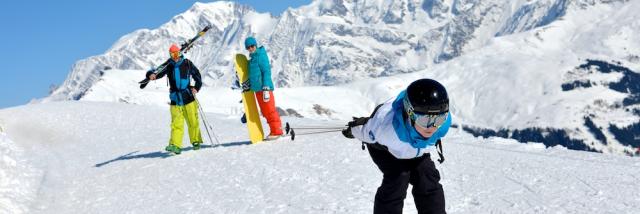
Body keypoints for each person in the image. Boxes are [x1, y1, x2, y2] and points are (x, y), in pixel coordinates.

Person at [342, 78, 451, 214]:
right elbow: (366, 131)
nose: (432, 127)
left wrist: (430, 122)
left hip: (414, 149)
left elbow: (432, 124)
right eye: (424, 120)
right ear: (410, 114)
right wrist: (352, 130)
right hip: (385, 150)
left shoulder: (441, 127)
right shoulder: (386, 128)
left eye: (439, 119)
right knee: (398, 178)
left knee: (427, 178)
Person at [148, 44, 203, 154]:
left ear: (180, 53)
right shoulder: (169, 66)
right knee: (176, 124)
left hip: (188, 97)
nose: (175, 56)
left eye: (176, 53)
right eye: (172, 54)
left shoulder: (187, 63)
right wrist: (151, 74)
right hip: (175, 99)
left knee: (193, 121)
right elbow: (158, 72)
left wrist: (196, 88)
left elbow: (197, 75)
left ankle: (196, 140)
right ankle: (175, 145)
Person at [242, 37, 283, 140]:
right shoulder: (252, 60)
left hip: (265, 89)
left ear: (255, 45)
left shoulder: (261, 56)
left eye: (252, 46)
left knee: (270, 110)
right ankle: (274, 130)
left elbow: (266, 71)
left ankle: (277, 131)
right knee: (265, 112)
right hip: (257, 90)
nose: (251, 48)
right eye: (248, 47)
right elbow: (253, 75)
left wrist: (266, 87)